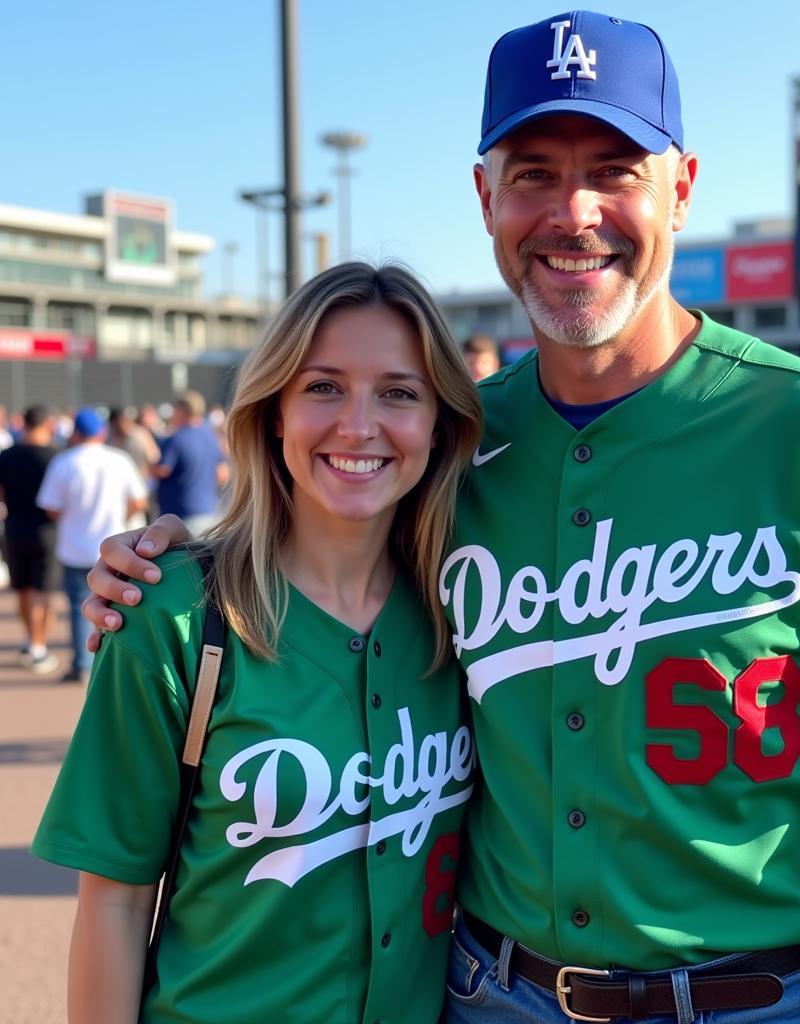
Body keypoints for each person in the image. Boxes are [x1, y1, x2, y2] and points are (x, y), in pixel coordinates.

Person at [82, 12, 800, 1024]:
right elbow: (323, 530)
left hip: (759, 1001)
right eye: (532, 173)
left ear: (681, 186)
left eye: (614, 168)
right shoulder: (453, 444)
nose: (574, 212)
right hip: (493, 996)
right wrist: (178, 555)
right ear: (485, 195)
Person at [33, 263, 484, 1023]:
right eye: (323, 386)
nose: (359, 424)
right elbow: (113, 903)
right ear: (274, 410)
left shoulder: (469, 609)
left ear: (439, 422)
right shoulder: (172, 614)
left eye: (399, 392)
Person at [35, 407, 148, 683]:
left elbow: (50, 507)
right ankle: (120, 666)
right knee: (120, 606)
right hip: (114, 547)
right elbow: (139, 500)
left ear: (75, 432)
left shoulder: (64, 462)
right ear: (101, 432)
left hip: (75, 545)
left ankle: (82, 664)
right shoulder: (118, 460)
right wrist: (121, 516)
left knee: (77, 606)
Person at [0, 404, 61, 673]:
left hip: (14, 528)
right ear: (48, 423)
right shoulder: (56, 457)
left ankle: (31, 639)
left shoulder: (7, 455)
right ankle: (38, 645)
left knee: (23, 588)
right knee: (42, 591)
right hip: (47, 531)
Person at [151, 390, 229, 533]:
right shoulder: (212, 437)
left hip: (179, 517)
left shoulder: (176, 438)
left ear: (181, 411)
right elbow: (222, 475)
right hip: (209, 513)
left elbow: (163, 470)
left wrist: (149, 465)